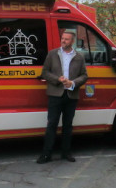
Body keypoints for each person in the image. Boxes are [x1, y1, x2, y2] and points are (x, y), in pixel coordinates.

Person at [37, 30, 89, 164]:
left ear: (72, 41)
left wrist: (73, 83)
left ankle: (66, 153)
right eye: (63, 38)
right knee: (52, 124)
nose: (63, 41)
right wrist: (58, 79)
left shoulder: (79, 57)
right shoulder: (53, 54)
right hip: (55, 94)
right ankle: (46, 154)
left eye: (66, 39)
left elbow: (84, 75)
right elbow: (45, 72)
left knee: (68, 125)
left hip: (71, 94)